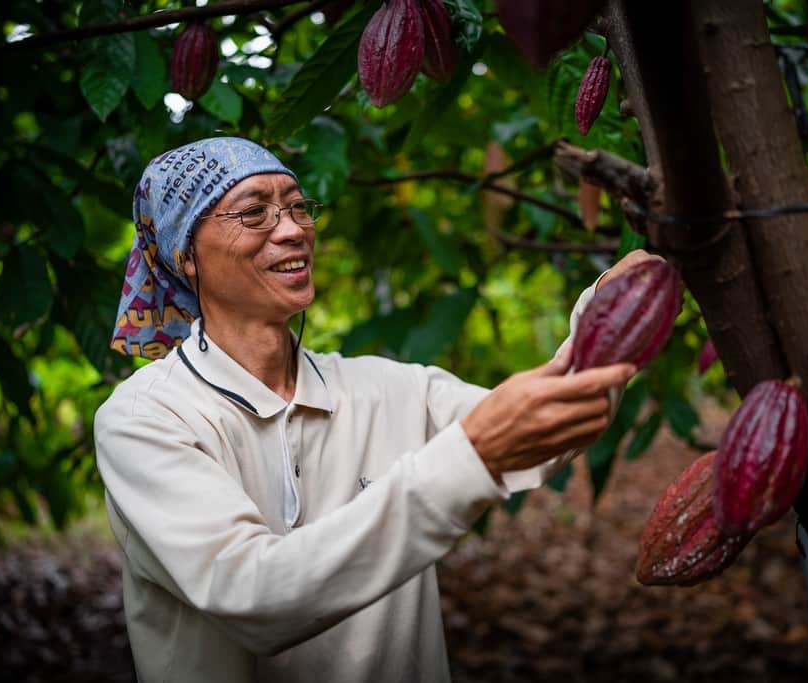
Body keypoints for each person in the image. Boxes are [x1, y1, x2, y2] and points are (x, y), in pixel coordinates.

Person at [95, 137, 644, 683]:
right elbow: (251, 594)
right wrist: (467, 457)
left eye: (295, 205)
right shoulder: (146, 418)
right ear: (185, 255)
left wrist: (615, 309)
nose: (292, 230)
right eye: (254, 212)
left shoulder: (385, 389)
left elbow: (547, 426)